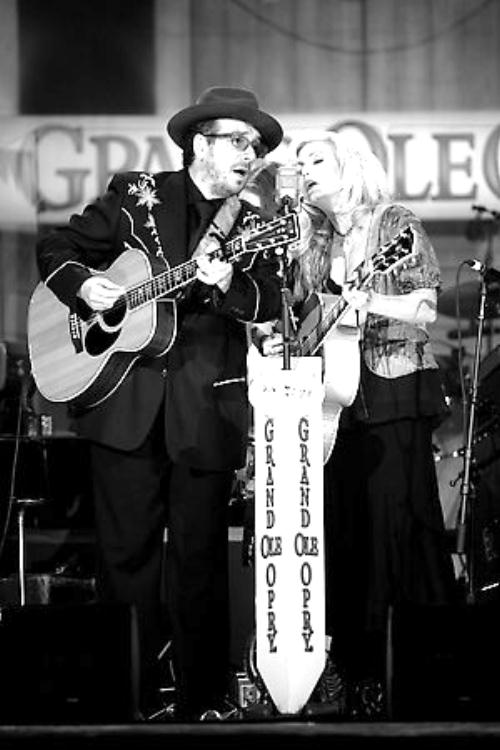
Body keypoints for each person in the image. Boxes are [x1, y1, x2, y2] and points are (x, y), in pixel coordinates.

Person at [35, 86, 284, 721]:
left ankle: (202, 703)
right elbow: (56, 250)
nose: (249, 153)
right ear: (200, 144)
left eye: (255, 146)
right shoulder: (138, 194)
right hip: (123, 405)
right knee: (125, 562)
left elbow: (273, 304)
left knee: (200, 564)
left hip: (205, 412)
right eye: (238, 140)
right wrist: (89, 287)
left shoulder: (259, 223)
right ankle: (128, 700)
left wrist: (229, 287)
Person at [263, 132, 457, 716]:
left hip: (393, 388)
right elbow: (298, 319)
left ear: (349, 167)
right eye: (298, 164)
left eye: (314, 160)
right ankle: (352, 669)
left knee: (398, 528)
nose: (303, 170)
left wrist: (365, 302)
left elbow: (424, 305)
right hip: (331, 404)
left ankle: (417, 668)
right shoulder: (312, 242)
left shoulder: (393, 224)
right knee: (345, 534)